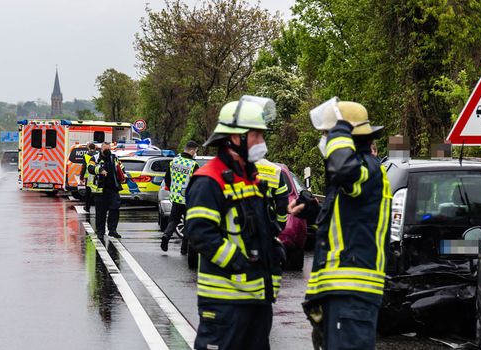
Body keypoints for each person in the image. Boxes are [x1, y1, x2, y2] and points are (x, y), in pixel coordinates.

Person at [185, 96, 285, 350]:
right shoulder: (209, 180)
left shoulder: (250, 177)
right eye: (256, 136)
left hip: (257, 300)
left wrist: (272, 248)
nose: (261, 142)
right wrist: (239, 263)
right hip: (225, 304)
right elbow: (199, 233)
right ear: (234, 138)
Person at [290, 100, 390, 350]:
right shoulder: (356, 180)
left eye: (328, 134)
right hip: (341, 292)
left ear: (348, 137)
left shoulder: (368, 169)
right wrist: (313, 211)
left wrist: (339, 130)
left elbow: (344, 169)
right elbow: (346, 221)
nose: (326, 140)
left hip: (352, 291)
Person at [160, 140, 201, 253]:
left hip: (176, 197)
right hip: (189, 199)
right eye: (196, 151)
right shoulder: (193, 165)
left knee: (173, 220)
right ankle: (184, 248)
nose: (195, 154)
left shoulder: (174, 161)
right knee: (188, 223)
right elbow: (196, 182)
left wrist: (173, 190)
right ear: (192, 151)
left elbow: (167, 179)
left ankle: (166, 235)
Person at [90, 142, 126, 238]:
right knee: (100, 212)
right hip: (100, 190)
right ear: (101, 149)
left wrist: (123, 175)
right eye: (105, 149)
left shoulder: (114, 157)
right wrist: (100, 170)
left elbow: (121, 167)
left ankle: (112, 230)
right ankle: (100, 232)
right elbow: (90, 167)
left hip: (113, 189)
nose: (107, 151)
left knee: (115, 210)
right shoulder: (95, 158)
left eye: (108, 149)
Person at [82, 142, 99, 213]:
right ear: (95, 148)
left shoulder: (86, 156)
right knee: (97, 192)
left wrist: (81, 177)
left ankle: (87, 207)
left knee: (88, 193)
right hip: (97, 176)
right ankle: (98, 207)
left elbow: (84, 167)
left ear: (89, 148)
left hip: (89, 176)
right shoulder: (98, 155)